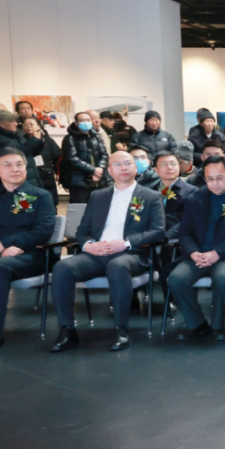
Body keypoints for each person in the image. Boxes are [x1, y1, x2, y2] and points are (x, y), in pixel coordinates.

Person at [49, 151, 166, 352]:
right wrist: (88, 246)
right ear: (109, 170)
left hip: (131, 254)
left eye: (128, 163)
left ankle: (122, 328)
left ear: (135, 167)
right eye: (118, 164)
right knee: (62, 268)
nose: (124, 167)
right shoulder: (98, 196)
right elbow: (82, 231)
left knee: (117, 265)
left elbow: (157, 231)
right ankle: (67, 329)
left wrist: (126, 243)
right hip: (96, 253)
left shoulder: (151, 196)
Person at [0, 147, 57, 355]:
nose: (15, 169)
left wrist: (4, 243)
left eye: (19, 164)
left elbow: (42, 232)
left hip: (29, 254)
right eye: (7, 165)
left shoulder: (40, 196)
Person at [165, 156, 225, 341]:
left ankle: (217, 325)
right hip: (199, 254)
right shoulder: (195, 198)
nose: (214, 183)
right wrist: (193, 252)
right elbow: (185, 232)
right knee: (175, 279)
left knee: (223, 278)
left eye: (219, 178)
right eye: (209, 179)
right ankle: (197, 323)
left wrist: (217, 253)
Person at [0, 110, 45, 189]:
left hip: (30, 178)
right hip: (16, 181)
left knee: (33, 200)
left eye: (15, 121)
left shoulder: (15, 135)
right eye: (11, 121)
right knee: (23, 201)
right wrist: (34, 139)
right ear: (1, 124)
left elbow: (30, 153)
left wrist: (40, 141)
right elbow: (18, 153)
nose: (16, 124)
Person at [21, 116, 61, 205]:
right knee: (29, 205)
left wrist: (58, 172)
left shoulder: (47, 140)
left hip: (46, 175)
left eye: (31, 124)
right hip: (29, 176)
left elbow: (57, 156)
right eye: (25, 125)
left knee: (49, 203)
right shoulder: (20, 141)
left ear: (39, 126)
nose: (28, 126)